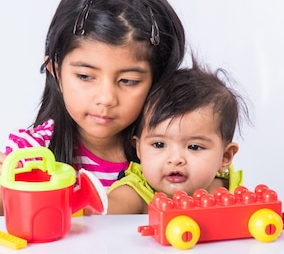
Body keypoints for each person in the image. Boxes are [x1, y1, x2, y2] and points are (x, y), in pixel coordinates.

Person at [0, 0, 186, 217]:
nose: (105, 98)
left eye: (128, 81)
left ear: (158, 81)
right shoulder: (34, 155)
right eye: (85, 76)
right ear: (55, 71)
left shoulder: (172, 154)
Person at [106, 57, 249, 214]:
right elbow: (104, 212)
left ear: (225, 157)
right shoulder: (136, 193)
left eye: (194, 147)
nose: (175, 159)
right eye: (159, 145)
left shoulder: (231, 194)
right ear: (139, 149)